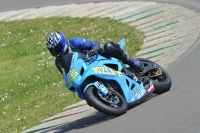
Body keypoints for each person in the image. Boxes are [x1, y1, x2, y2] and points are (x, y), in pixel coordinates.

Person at [46, 31, 144, 75]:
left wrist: (94, 50)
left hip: (96, 57)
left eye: (57, 48)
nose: (56, 52)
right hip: (86, 70)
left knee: (108, 47)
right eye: (52, 51)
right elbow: (66, 74)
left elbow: (92, 44)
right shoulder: (60, 61)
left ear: (63, 43)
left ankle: (133, 62)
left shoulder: (74, 43)